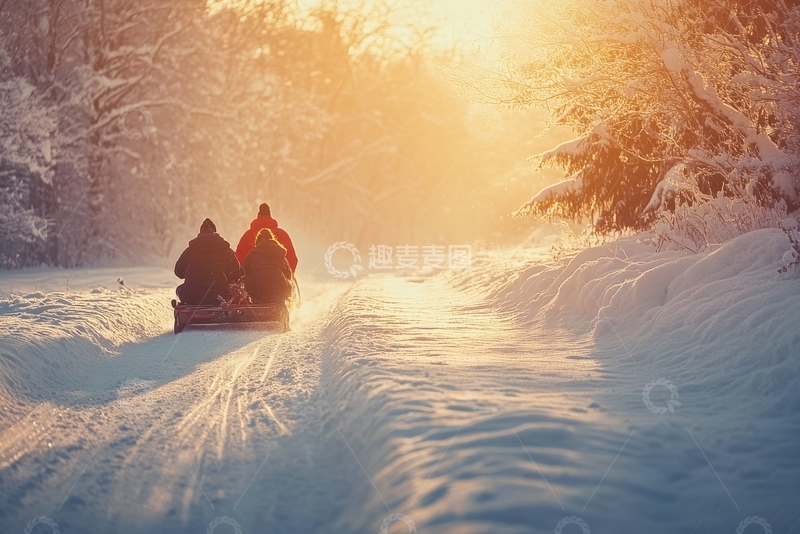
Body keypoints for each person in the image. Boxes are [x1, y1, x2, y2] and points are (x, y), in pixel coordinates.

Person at [175, 218, 243, 305]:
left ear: (200, 233)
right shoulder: (226, 251)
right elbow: (236, 273)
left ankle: (186, 311)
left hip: (192, 297)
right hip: (219, 296)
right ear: (215, 232)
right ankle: (231, 313)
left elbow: (178, 272)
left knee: (179, 289)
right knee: (236, 290)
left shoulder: (190, 250)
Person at [235, 203, 298, 273]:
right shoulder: (282, 234)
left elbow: (238, 260)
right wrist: (288, 275)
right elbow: (292, 259)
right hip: (279, 278)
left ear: (258, 217)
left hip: (254, 279)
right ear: (270, 217)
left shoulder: (248, 235)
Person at [242, 228, 293, 304]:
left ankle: (256, 305)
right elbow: (289, 275)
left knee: (252, 292)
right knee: (288, 286)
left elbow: (242, 271)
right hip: (278, 287)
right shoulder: (280, 254)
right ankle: (281, 307)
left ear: (258, 241)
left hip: (256, 287)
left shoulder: (252, 253)